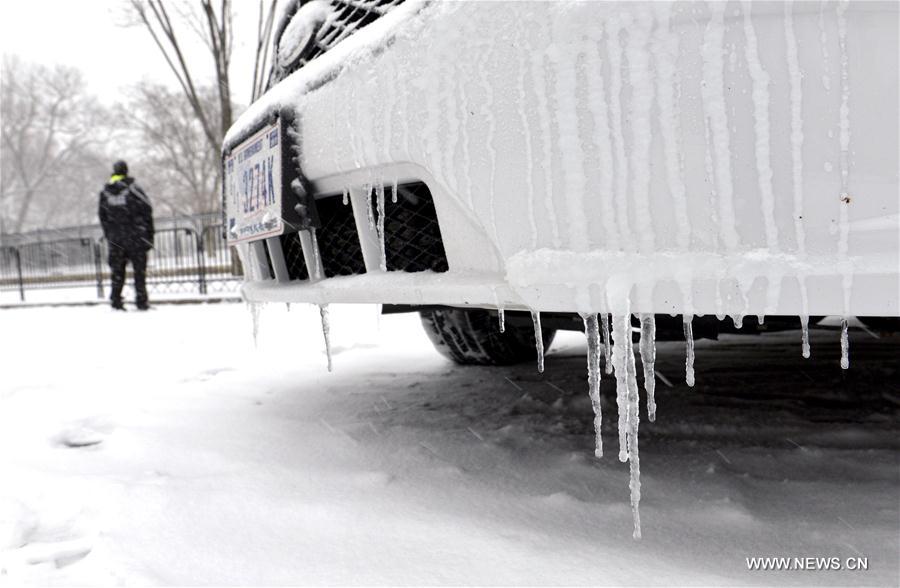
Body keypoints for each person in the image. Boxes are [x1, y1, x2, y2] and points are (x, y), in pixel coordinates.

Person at [98, 160, 155, 311]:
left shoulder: (105, 192)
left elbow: (102, 216)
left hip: (116, 240)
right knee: (139, 272)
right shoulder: (134, 189)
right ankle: (141, 301)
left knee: (117, 272)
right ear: (126, 171)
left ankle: (116, 301)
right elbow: (147, 210)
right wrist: (149, 236)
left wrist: (110, 234)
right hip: (135, 238)